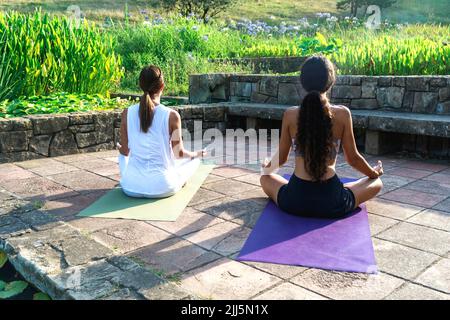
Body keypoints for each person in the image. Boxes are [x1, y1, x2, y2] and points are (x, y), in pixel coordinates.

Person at [260, 55, 383, 218]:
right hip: (332, 202)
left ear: (303, 81)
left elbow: (281, 159)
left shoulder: (290, 115)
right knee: (376, 183)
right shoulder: (342, 114)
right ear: (330, 81)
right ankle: (353, 187)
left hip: (295, 201)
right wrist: (374, 173)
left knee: (265, 178)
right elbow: (352, 158)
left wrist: (266, 167)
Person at [118, 65, 206, 198]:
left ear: (140, 85)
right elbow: (179, 153)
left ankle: (142, 179)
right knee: (193, 161)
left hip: (131, 186)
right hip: (162, 187)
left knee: (124, 158)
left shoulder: (126, 113)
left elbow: (125, 152)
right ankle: (180, 180)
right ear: (162, 86)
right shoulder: (171, 115)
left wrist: (120, 148)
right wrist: (197, 153)